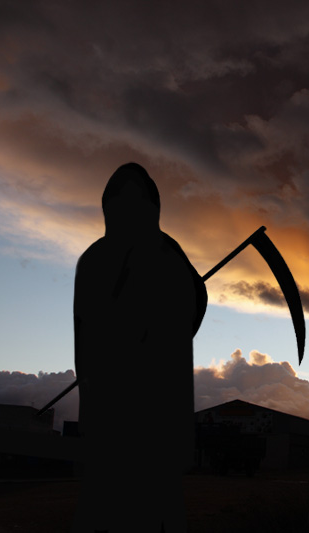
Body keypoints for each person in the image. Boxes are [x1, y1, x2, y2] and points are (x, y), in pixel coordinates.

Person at [72, 163, 207, 532]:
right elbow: (86, 336)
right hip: (122, 416)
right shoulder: (160, 256)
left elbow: (185, 318)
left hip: (145, 417)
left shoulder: (105, 258)